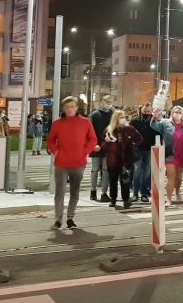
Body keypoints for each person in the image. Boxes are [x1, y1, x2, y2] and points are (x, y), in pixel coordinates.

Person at [46, 96, 97, 229]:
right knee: (60, 191)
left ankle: (70, 217)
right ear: (63, 108)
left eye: (72, 106)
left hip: (78, 162)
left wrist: (85, 151)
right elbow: (50, 140)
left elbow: (92, 139)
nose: (70, 109)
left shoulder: (85, 122)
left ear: (76, 107)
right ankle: (58, 219)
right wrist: (56, 152)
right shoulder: (57, 124)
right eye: (67, 107)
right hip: (61, 163)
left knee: (75, 191)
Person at [150, 106, 183, 205]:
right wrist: (154, 117)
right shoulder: (166, 123)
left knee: (178, 176)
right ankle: (169, 198)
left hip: (182, 153)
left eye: (179, 112)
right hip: (170, 153)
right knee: (171, 175)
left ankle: (177, 191)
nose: (177, 114)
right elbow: (154, 126)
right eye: (175, 112)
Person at [103, 110, 142, 208]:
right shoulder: (109, 130)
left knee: (125, 181)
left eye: (123, 117)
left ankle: (126, 199)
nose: (123, 119)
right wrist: (107, 142)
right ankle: (113, 199)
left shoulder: (129, 129)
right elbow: (103, 147)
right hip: (112, 159)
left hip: (126, 159)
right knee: (113, 181)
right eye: (121, 117)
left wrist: (132, 144)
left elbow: (139, 139)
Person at [87, 94, 115, 202]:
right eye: (107, 102)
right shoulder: (94, 115)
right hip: (96, 146)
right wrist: (93, 144)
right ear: (102, 102)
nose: (109, 104)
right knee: (95, 169)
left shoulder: (112, 114)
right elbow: (90, 131)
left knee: (106, 170)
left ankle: (104, 192)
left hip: (108, 146)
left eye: (111, 102)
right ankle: (93, 190)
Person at [130, 103, 160, 203]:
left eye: (148, 111)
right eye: (145, 111)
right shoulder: (135, 121)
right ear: (141, 110)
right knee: (137, 171)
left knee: (146, 173)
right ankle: (135, 193)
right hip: (137, 149)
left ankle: (144, 192)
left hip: (149, 149)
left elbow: (158, 133)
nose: (146, 113)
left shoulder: (154, 120)